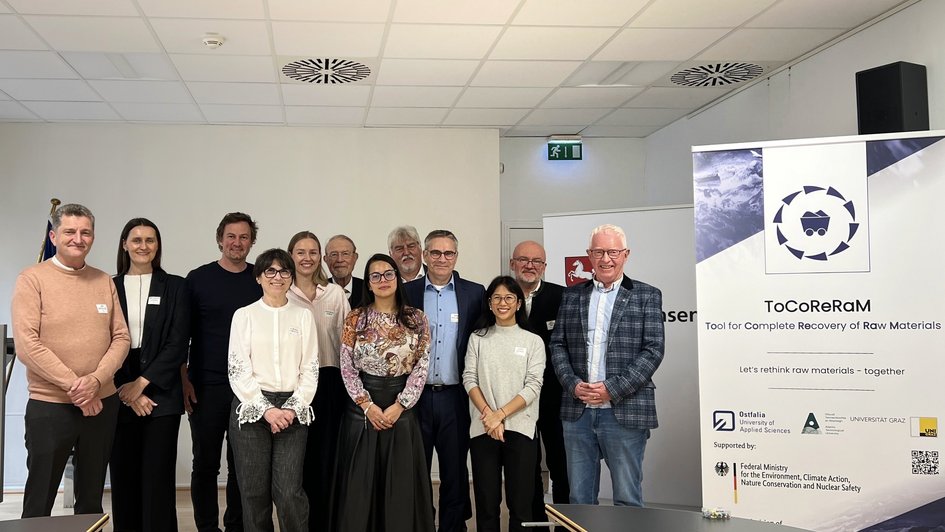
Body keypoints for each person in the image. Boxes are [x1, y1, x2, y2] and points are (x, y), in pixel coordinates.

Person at [11, 203, 130, 517]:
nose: (78, 238)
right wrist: (76, 388)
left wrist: (94, 383)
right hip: (50, 406)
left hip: (101, 405)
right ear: (54, 235)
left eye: (85, 232)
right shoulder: (31, 279)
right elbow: (27, 345)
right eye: (70, 231)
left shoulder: (104, 281)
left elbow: (121, 338)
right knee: (40, 499)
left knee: (91, 500)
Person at [550, 224, 664, 507]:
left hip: (624, 410)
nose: (606, 259)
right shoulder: (572, 296)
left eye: (612, 251)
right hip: (578, 412)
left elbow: (653, 350)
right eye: (598, 251)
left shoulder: (647, 295)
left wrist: (611, 389)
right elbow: (558, 345)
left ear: (625, 254)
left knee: (627, 498)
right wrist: (573, 385)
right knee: (580, 499)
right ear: (589, 254)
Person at [331, 254, 434, 531]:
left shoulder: (416, 319)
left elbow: (422, 367)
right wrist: (367, 405)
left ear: (397, 277)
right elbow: (347, 367)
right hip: (362, 410)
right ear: (369, 283)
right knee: (360, 485)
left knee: (398, 485)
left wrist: (400, 405)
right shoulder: (356, 318)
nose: (382, 280)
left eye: (388, 274)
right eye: (375, 276)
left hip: (401, 409)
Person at [228, 248, 319, 532]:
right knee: (254, 493)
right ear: (258, 277)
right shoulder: (244, 316)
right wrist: (266, 409)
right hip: (252, 408)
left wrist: (292, 408)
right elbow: (238, 368)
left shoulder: (303, 316)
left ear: (291, 277)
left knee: (289, 492)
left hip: (293, 409)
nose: (277, 277)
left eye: (284, 271)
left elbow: (311, 368)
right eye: (270, 271)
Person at [184, 212, 262, 531]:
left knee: (241, 465)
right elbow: (180, 335)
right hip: (206, 384)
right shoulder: (198, 279)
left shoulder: (261, 278)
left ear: (251, 242)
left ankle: (236, 526)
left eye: (244, 237)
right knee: (205, 464)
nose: (237, 242)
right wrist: (183, 379)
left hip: (249, 387)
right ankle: (206, 527)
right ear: (220, 239)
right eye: (231, 236)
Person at [111, 218, 190, 532]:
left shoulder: (176, 286)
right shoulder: (109, 285)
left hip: (162, 394)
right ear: (125, 245)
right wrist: (123, 389)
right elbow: (101, 342)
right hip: (118, 390)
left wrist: (141, 385)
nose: (143, 246)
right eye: (136, 240)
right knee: (123, 477)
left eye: (150, 240)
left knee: (157, 481)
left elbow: (178, 341)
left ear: (158, 246)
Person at [404, 230, 484, 532]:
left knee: (454, 470)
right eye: (435, 253)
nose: (441, 259)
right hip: (416, 398)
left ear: (456, 257)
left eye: (448, 253)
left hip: (456, 397)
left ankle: (452, 528)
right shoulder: (408, 293)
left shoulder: (474, 293)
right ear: (425, 256)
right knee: (417, 470)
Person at [463, 276, 545, 532]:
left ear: (519, 303)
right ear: (489, 303)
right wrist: (489, 416)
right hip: (483, 428)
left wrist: (500, 415)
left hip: (520, 428)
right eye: (496, 297)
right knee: (487, 504)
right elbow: (469, 378)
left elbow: (533, 386)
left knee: (521, 505)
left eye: (509, 297)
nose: (502, 303)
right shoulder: (478, 338)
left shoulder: (533, 341)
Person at [286, 231, 351, 531]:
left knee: (327, 457)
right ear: (291, 256)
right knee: (299, 458)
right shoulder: (282, 294)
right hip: (294, 385)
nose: (307, 257)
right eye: (301, 252)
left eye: (313, 252)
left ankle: (327, 521)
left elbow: (347, 344)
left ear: (320, 257)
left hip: (329, 382)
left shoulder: (334, 294)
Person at [509, 241, 569, 513]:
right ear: (513, 264)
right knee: (526, 465)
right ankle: (532, 523)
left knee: (560, 463)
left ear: (544, 266)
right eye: (523, 259)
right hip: (515, 398)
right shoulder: (501, 296)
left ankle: (568, 522)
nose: (530, 265)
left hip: (555, 397)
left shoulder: (563, 297)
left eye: (537, 261)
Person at [325, 234, 363, 308]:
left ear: (355, 258)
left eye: (345, 254)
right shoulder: (318, 291)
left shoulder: (368, 290)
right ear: (325, 259)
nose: (340, 260)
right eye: (334, 254)